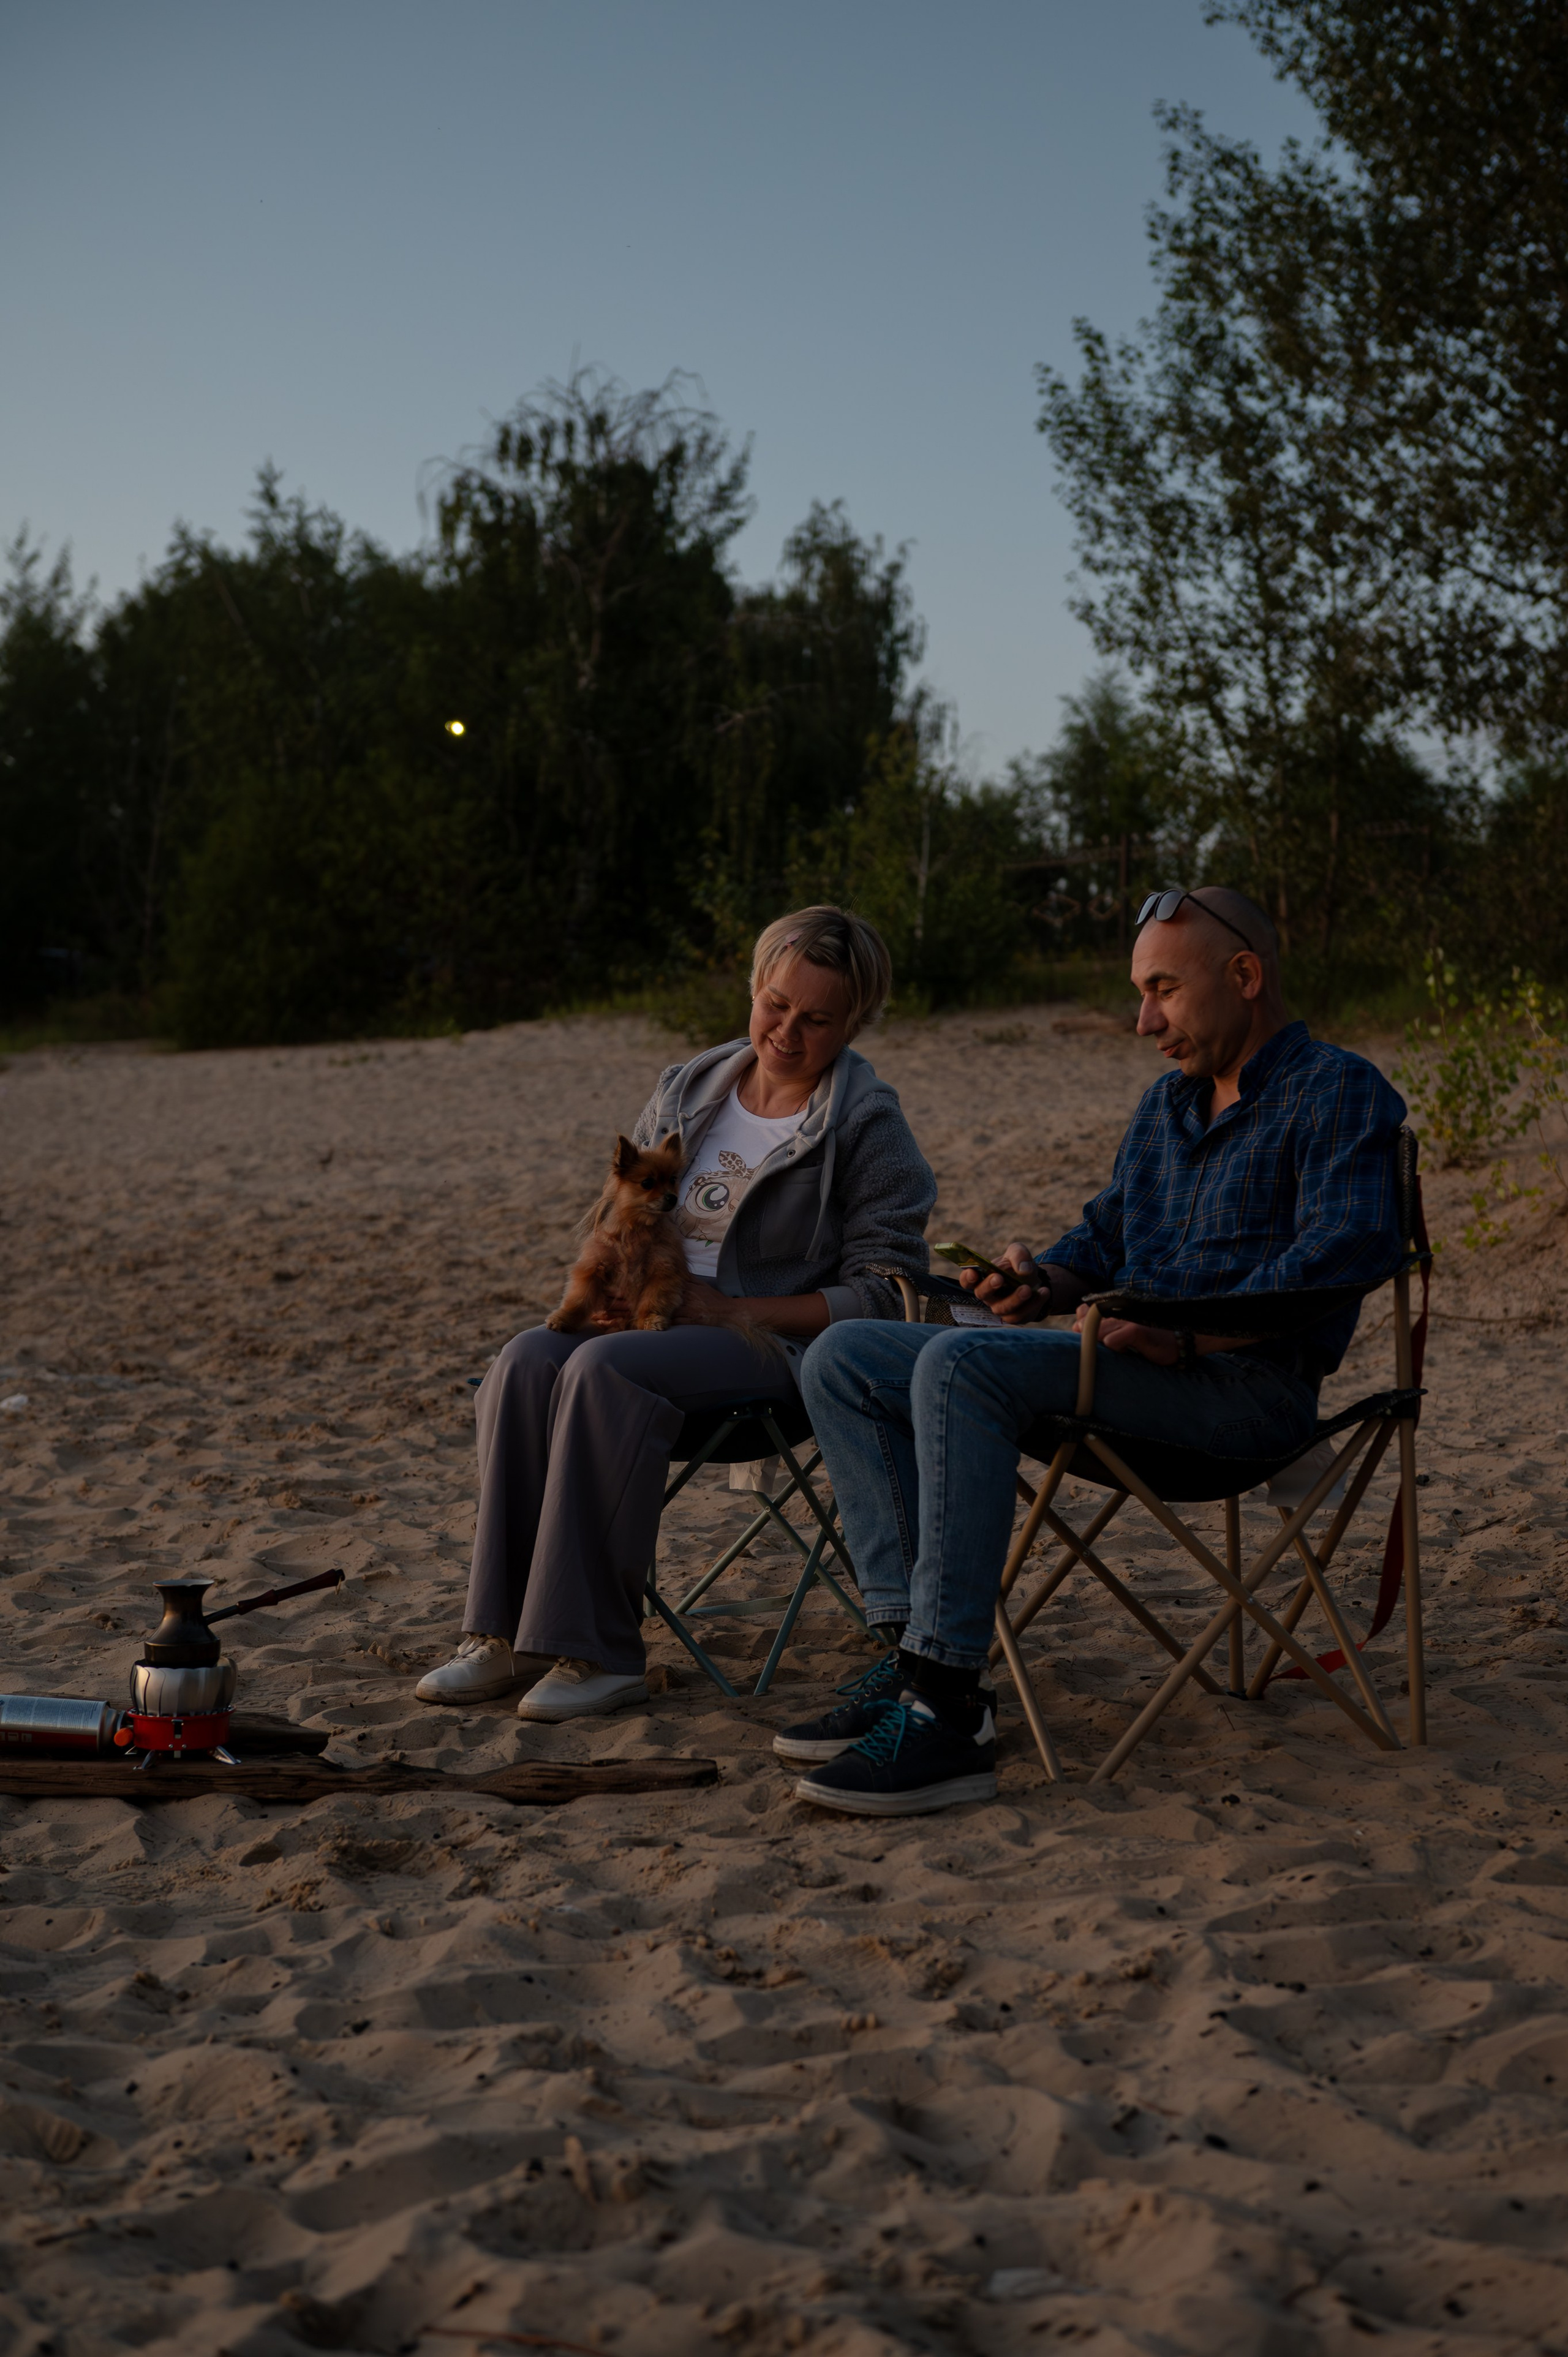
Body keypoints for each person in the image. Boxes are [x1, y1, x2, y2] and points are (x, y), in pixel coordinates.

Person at [782, 885, 1408, 1815]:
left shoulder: (1340, 1091)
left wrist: (1190, 1330)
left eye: (1163, 989)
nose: (1143, 1018)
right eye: (1139, 991)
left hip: (1241, 1399)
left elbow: (1340, 1261)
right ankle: (909, 1654)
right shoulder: (1168, 1106)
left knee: (962, 1365)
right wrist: (1042, 1281)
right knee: (847, 1353)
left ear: (1244, 977)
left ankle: (949, 1709)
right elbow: (1105, 1239)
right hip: (1121, 1374)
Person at [415, 905, 937, 1721]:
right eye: (775, 1004)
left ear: (857, 1022)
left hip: (764, 1347)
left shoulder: (866, 1125)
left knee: (600, 1370)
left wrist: (727, 1307)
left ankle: (598, 1654)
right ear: (755, 987)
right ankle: (499, 1637)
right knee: (525, 1360)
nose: (786, 1033)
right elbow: (611, 1214)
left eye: (817, 1019)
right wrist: (611, 1288)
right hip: (645, 1327)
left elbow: (884, 1293)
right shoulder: (690, 1087)